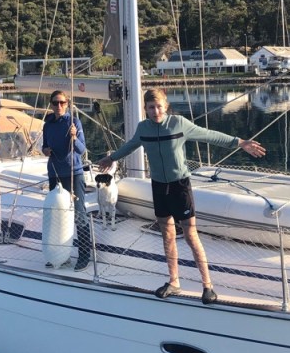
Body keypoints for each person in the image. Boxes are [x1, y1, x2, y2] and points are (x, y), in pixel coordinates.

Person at [97, 87, 266, 304]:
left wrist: (240, 142)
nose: (156, 111)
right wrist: (112, 158)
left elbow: (209, 135)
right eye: (151, 107)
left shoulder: (178, 124)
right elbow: (130, 146)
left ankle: (208, 286)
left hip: (180, 186)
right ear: (146, 109)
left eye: (159, 107)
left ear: (166, 106)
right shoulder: (143, 128)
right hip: (159, 187)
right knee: (167, 235)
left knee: (190, 236)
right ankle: (174, 282)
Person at [41, 90, 92, 271]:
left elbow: (81, 150)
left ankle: (84, 255)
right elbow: (44, 147)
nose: (59, 106)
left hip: (73, 173)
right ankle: (59, 255)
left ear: (67, 104)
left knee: (79, 213)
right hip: (54, 174)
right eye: (55, 103)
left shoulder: (74, 122)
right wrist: (45, 151)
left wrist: (74, 138)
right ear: (51, 104)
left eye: (62, 102)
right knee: (57, 214)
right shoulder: (47, 125)